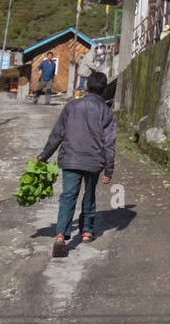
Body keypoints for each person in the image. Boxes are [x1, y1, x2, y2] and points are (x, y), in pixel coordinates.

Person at [37, 71, 115, 258]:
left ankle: (61, 237)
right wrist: (109, 168)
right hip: (94, 161)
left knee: (68, 196)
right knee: (89, 194)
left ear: (86, 86)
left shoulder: (72, 106)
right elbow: (109, 143)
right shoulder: (106, 111)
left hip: (71, 158)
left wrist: (43, 156)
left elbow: (57, 134)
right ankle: (87, 231)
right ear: (104, 89)